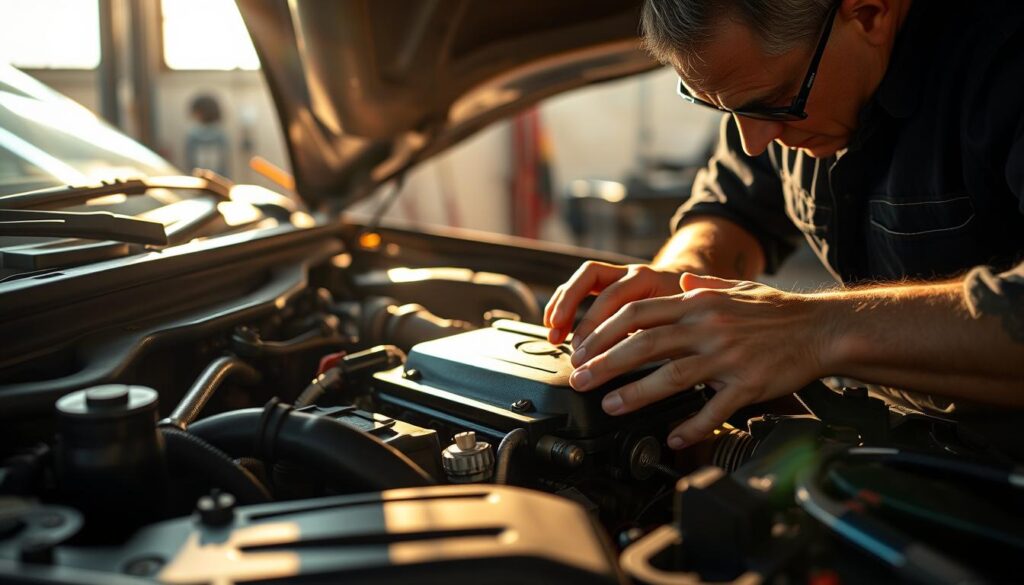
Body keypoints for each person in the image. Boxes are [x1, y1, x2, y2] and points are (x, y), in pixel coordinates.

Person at [544, 0, 1024, 453]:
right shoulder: (779, 80)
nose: (754, 141)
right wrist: (682, 290)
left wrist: (815, 330)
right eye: (721, 108)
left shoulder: (1005, 64)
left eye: (774, 103)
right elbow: (734, 206)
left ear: (869, 13)